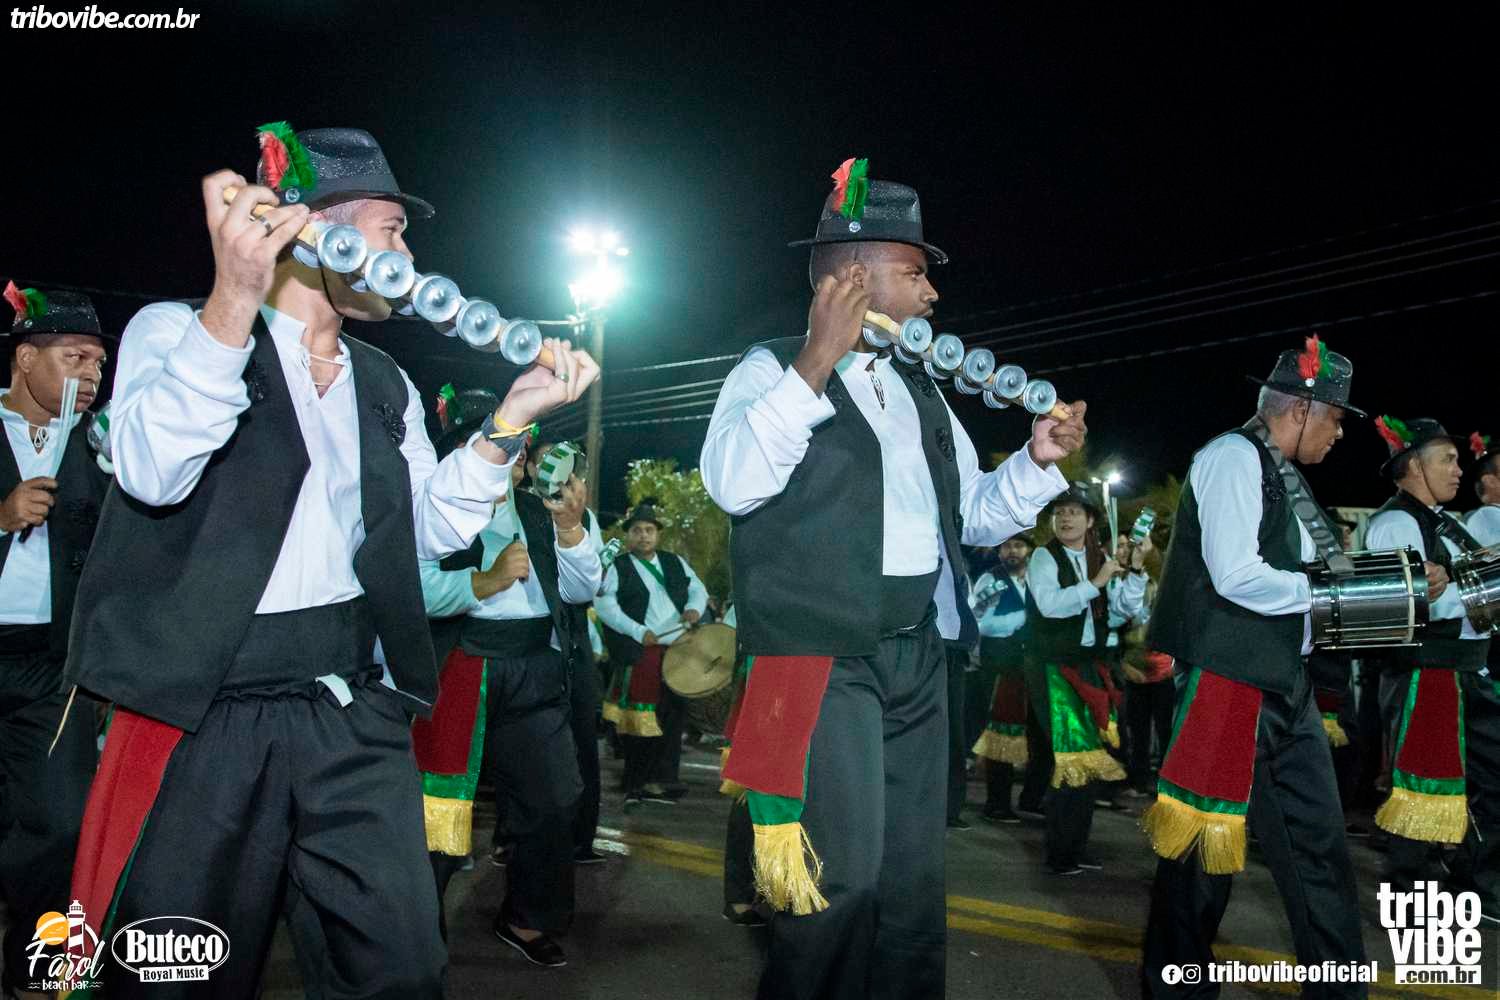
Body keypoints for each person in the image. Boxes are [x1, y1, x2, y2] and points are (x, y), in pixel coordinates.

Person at [61, 124, 598, 999]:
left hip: (349, 707)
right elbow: (153, 474)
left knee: (400, 966)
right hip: (203, 712)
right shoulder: (180, 330)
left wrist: (509, 423)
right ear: (317, 236)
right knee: (178, 975)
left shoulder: (384, 382)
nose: (410, 258)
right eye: (393, 232)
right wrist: (233, 303)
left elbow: (425, 533)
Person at [700, 158, 1082, 1000]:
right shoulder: (769, 369)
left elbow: (970, 517)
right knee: (839, 884)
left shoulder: (919, 390)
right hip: (824, 657)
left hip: (918, 654)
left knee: (912, 884)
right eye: (914, 272)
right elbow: (732, 483)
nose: (932, 293)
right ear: (852, 276)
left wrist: (1036, 462)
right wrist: (815, 362)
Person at [1141, 337, 1368, 998]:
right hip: (1226, 682)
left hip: (1285, 685)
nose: (1338, 433)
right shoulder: (1233, 457)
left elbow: (1304, 577)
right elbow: (1237, 574)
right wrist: (1324, 592)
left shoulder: (1287, 477)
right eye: (1335, 418)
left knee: (1319, 849)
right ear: (1301, 409)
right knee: (1199, 861)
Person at [415, 395, 601, 969]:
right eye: (501, 442)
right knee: (438, 808)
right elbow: (412, 590)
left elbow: (580, 591)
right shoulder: (436, 509)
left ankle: (527, 917)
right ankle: (412, 933)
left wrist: (570, 528)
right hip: (462, 665)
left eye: (520, 444)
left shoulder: (540, 511)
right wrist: (485, 581)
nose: (518, 454)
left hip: (536, 667)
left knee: (553, 799)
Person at [0, 285, 110, 999]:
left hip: (53, 667)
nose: (92, 374)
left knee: (61, 822)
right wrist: (2, 515)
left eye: (99, 362)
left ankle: (32, 973)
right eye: (75, 358)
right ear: (25, 359)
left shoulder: (100, 448)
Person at [1365, 418, 1493, 920]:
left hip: (1460, 670)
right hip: (1427, 671)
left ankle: (1465, 882)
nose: (1459, 470)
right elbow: (1413, 603)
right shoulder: (1396, 523)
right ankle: (1410, 897)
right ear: (1415, 465)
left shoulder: (1441, 521)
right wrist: (1487, 594)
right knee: (1422, 784)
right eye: (1448, 459)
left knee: (1478, 779)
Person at [1027, 484, 1148, 874]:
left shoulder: (1100, 558)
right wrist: (1095, 583)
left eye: (1074, 512)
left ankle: (1075, 846)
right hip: (1052, 667)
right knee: (1071, 760)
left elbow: (1122, 612)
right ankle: (1061, 853)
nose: (1065, 518)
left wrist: (1136, 571)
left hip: (1090, 668)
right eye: (1060, 512)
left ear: (1091, 520)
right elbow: (1049, 605)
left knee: (1090, 761)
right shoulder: (1044, 557)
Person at [594, 500, 709, 807]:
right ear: (628, 535)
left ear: (657, 534)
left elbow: (698, 590)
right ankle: (636, 782)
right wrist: (637, 631)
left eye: (649, 530)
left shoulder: (675, 562)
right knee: (640, 719)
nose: (643, 535)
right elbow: (605, 606)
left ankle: (665, 780)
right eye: (637, 530)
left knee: (673, 716)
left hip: (678, 649)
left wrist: (694, 609)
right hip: (642, 653)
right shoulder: (617, 567)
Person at [529, 433, 609, 864]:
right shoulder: (516, 508)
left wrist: (572, 526)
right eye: (543, 461)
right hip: (529, 646)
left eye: (560, 462)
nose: (552, 470)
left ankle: (581, 838)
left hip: (572, 642)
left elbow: (587, 586)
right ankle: (513, 835)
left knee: (582, 739)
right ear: (529, 469)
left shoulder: (584, 516)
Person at [969, 534, 1034, 824]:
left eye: (1018, 545)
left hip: (1031, 666)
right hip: (999, 667)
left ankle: (1032, 798)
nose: (1012, 551)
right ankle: (997, 803)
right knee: (1000, 735)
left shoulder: (1037, 580)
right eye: (1006, 546)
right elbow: (979, 623)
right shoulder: (990, 579)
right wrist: (1020, 619)